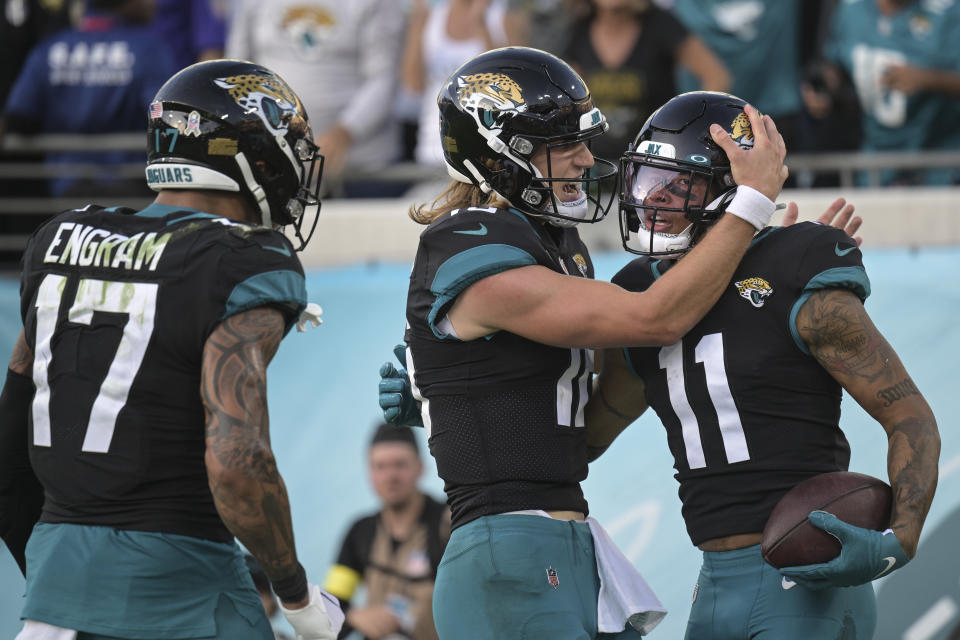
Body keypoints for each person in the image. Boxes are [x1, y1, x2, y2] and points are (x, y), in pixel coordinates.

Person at [379, 45, 794, 639]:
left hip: (566, 537)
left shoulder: (556, 247)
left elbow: (582, 422)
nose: (583, 159)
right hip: (506, 543)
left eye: (583, 139)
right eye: (564, 143)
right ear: (501, 154)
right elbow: (656, 319)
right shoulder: (469, 241)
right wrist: (749, 206)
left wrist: (774, 263)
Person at [0, 59, 343, 640]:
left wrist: (59, 575)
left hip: (54, 602)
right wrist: (297, 595)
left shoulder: (58, 239)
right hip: (181, 597)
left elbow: (10, 439)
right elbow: (236, 464)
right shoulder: (243, 259)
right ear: (251, 155)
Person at [587, 90, 940, 638]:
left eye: (680, 184)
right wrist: (448, 393)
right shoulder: (640, 297)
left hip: (805, 572)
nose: (655, 199)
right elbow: (582, 435)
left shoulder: (794, 267)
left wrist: (900, 540)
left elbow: (910, 417)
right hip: (712, 580)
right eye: (648, 181)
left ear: (731, 190)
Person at [225, 0, 406, 196]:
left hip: (360, 170)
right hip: (274, 165)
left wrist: (344, 133)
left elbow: (384, 78)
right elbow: (236, 71)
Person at [1, 0, 176, 198]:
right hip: (132, 190)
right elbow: (166, 116)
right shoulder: (148, 48)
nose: (153, 4)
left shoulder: (50, 48)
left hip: (66, 192)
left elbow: (19, 117)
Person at [562, 0, 730, 165]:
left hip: (655, 166)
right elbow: (568, 97)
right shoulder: (578, 29)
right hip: (597, 167)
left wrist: (690, 133)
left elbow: (716, 77)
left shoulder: (660, 24)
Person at [323, 424, 449, 640]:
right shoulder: (360, 533)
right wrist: (354, 615)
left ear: (420, 467)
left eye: (400, 465)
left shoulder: (446, 525)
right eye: (380, 467)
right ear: (369, 473)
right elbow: (330, 606)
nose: (391, 476)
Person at [820, 0, 960, 185]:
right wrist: (825, 86)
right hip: (875, 161)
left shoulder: (948, 12)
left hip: (938, 163)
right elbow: (835, 59)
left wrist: (928, 79)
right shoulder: (851, 9)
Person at [402, 0, 522, 168]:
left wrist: (481, 25)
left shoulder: (500, 17)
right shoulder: (432, 17)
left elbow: (511, 87)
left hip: (486, 153)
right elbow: (413, 85)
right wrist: (417, 26)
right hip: (432, 149)